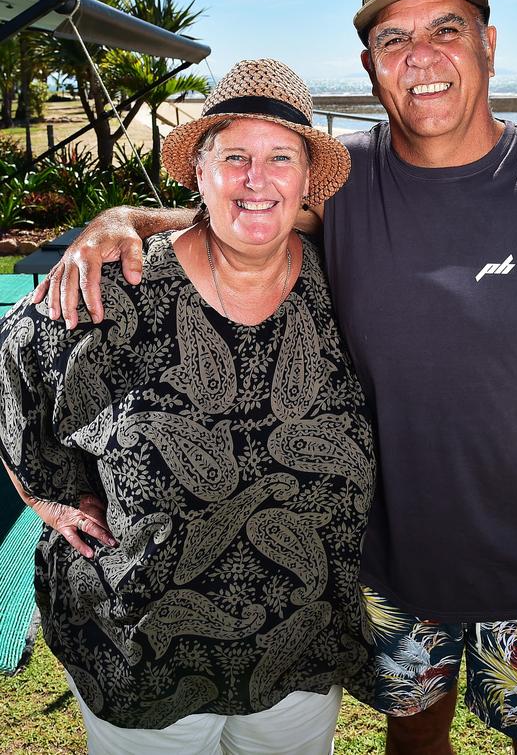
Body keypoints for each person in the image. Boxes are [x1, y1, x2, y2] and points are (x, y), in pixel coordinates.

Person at [36, 0, 517, 754]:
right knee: (414, 744)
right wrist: (125, 217)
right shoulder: (345, 182)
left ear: (489, 44)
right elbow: (246, 203)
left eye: (447, 30)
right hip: (390, 575)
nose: (420, 58)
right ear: (370, 67)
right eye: (393, 40)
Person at [0, 58, 378, 754]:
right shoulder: (119, 285)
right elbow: (14, 357)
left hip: (299, 657)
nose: (257, 180)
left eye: (279, 158)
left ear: (305, 182)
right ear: (199, 172)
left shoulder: (342, 285)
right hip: (141, 662)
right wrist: (44, 497)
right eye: (234, 156)